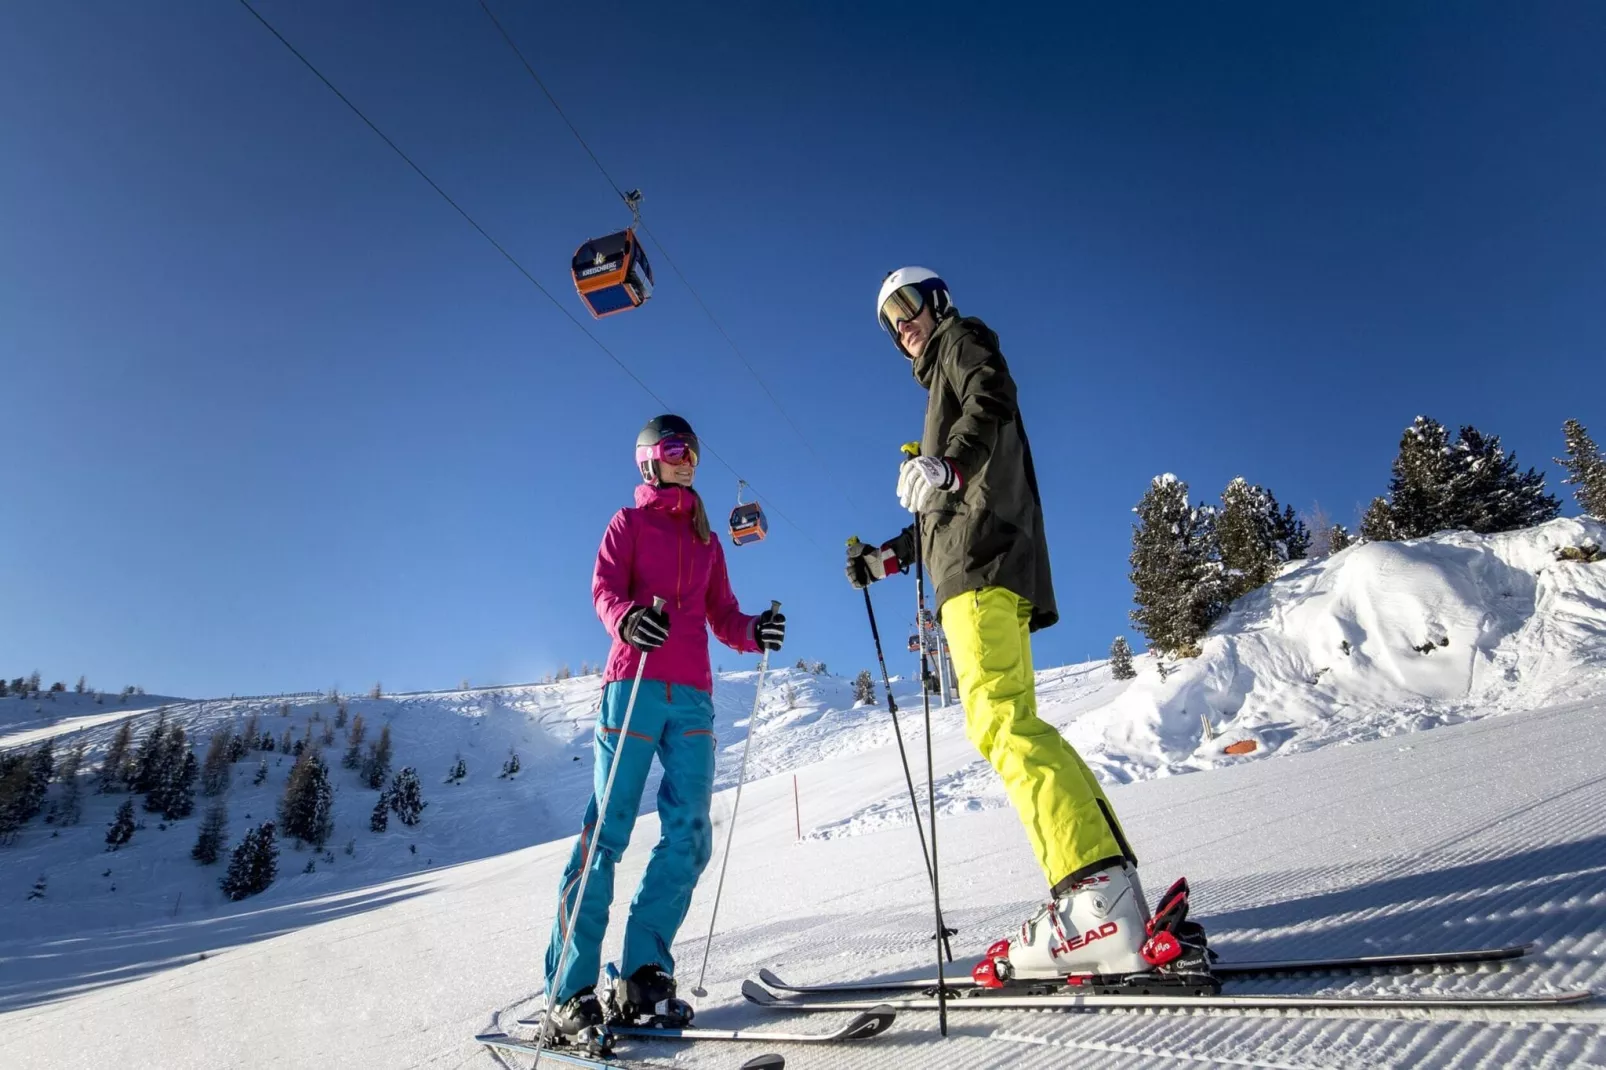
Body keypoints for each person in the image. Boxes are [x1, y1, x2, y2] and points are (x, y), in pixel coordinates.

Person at [847, 268, 1194, 987]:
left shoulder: (963, 344)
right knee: (1012, 723)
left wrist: (947, 463)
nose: (901, 325)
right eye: (888, 322)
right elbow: (942, 513)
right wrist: (888, 557)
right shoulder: (940, 385)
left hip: (981, 569)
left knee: (1003, 725)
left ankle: (1093, 901)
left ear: (937, 300)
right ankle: (1104, 888)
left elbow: (993, 401)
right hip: (970, 567)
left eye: (907, 305)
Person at [544, 414, 786, 1037]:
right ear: (648, 460)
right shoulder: (629, 524)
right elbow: (603, 589)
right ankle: (570, 992)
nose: (688, 461)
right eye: (676, 450)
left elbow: (722, 614)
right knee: (607, 832)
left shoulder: (707, 541)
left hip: (693, 700)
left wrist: (753, 631)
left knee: (690, 835)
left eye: (694, 452)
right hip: (634, 685)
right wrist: (626, 618)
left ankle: (643, 973)